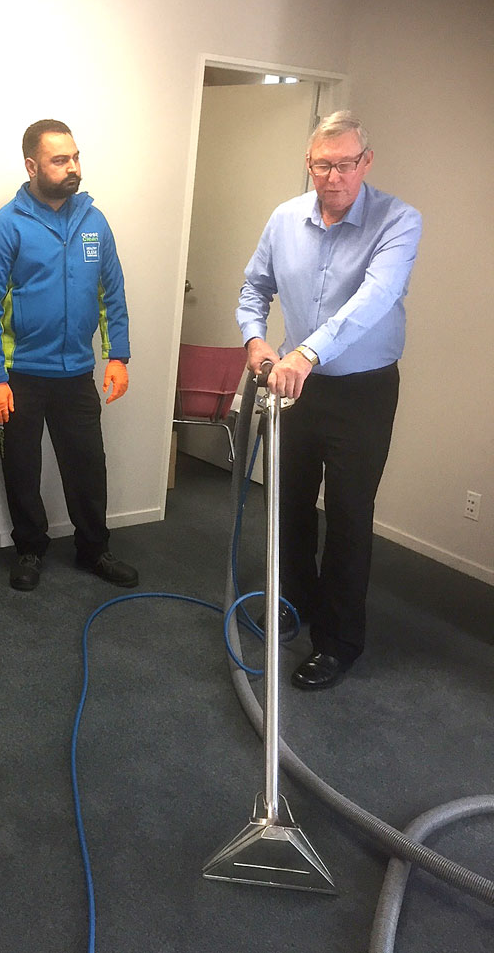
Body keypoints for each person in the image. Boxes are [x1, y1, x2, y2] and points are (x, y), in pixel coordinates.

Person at [236, 110, 422, 690]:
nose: (334, 175)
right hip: (294, 385)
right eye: (322, 164)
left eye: (346, 163)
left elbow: (375, 297)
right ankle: (294, 601)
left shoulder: (399, 220)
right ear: (309, 164)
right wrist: (256, 339)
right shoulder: (284, 219)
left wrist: (306, 353)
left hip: (362, 391)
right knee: (287, 502)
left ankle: (340, 642)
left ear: (365, 162)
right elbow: (253, 289)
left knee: (347, 514)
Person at [0, 119, 137, 592]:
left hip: (75, 372)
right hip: (18, 375)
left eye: (75, 157)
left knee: (88, 463)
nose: (72, 168)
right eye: (59, 160)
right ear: (32, 165)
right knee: (21, 467)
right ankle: (29, 548)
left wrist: (118, 354)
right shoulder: (7, 225)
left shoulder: (94, 221)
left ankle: (94, 549)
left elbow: (112, 292)